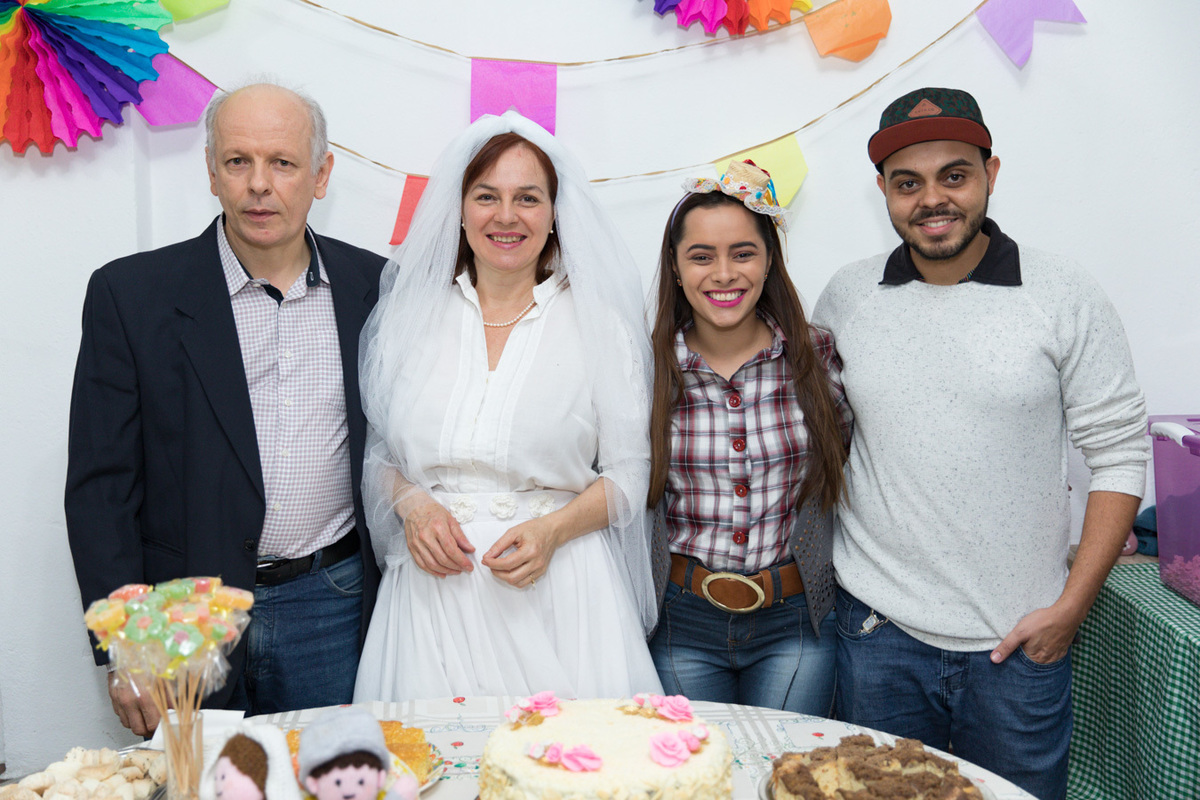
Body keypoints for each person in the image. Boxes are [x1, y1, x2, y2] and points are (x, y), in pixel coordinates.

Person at [811, 87, 1149, 799]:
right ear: (883, 192)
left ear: (991, 173)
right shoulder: (847, 297)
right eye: (908, 183)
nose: (932, 199)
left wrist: (1070, 609)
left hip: (1021, 641)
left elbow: (1119, 451)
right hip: (878, 636)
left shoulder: (1062, 293)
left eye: (954, 175)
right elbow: (823, 437)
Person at [65, 83, 386, 735]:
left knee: (334, 781)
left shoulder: (378, 289)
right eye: (238, 161)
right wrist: (126, 646)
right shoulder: (130, 297)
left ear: (321, 175)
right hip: (186, 617)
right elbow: (102, 491)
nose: (259, 185)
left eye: (283, 162)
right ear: (211, 171)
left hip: (333, 606)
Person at [352, 110, 661, 701]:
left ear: (554, 215)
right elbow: (380, 455)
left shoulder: (600, 326)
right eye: (486, 196)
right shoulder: (408, 319)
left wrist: (553, 530)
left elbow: (631, 474)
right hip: (432, 596)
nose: (506, 216)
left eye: (528, 198)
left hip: (560, 589)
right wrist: (413, 505)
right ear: (459, 208)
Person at [645, 161, 852, 715]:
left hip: (795, 620)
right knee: (697, 779)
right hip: (680, 618)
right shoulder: (645, 370)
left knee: (783, 776)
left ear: (768, 260)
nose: (723, 273)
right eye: (701, 255)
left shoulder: (817, 357)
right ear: (676, 266)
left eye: (742, 252)